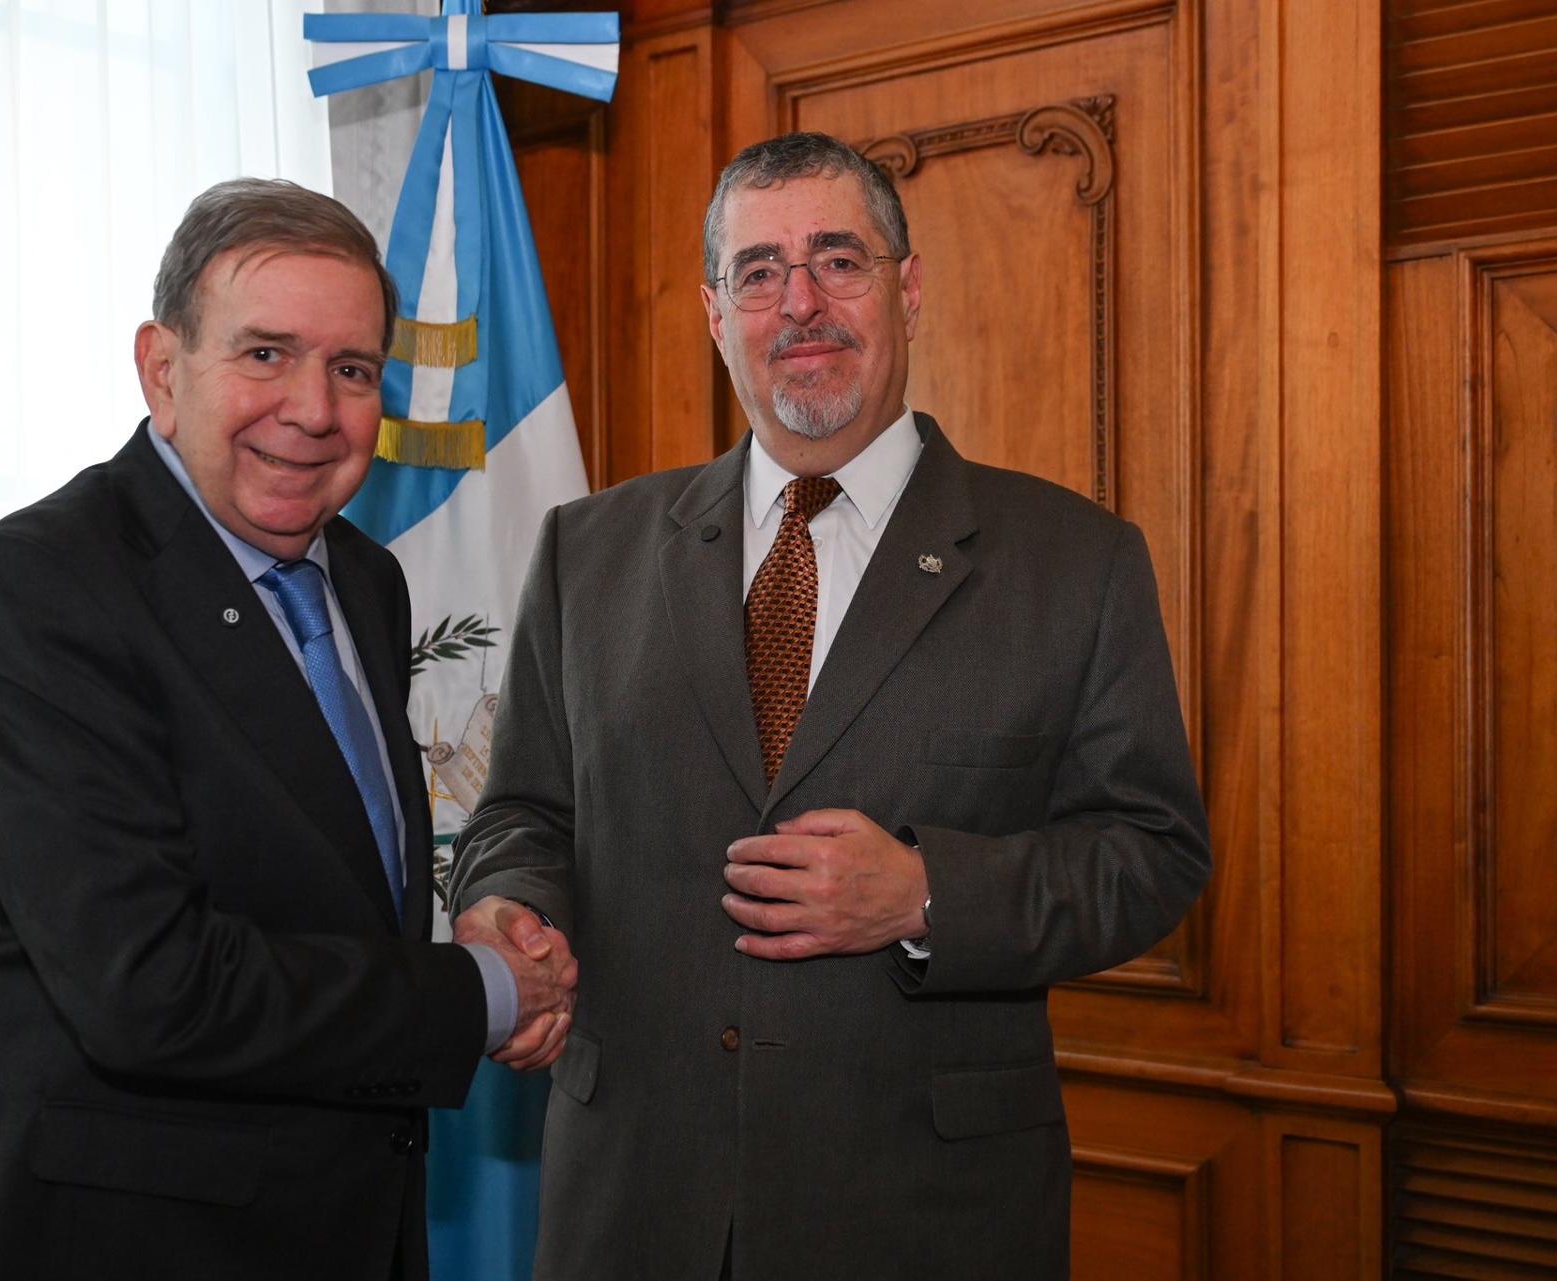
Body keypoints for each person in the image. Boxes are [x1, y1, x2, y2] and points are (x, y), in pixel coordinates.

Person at [449, 132, 1211, 1279]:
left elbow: (1153, 856)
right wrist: (509, 907)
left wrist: (925, 892)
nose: (798, 303)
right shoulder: (586, 552)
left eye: (836, 260)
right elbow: (522, 815)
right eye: (758, 272)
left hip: (925, 1216)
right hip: (634, 1205)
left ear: (906, 289)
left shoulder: (1075, 563)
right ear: (717, 314)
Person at [0, 179, 576, 1281]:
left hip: (348, 1221)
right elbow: (150, 990)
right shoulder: (38, 586)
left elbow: (332, 892)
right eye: (265, 354)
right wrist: (483, 993)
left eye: (353, 369)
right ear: (162, 371)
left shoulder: (364, 580)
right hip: (132, 1241)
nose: (314, 409)